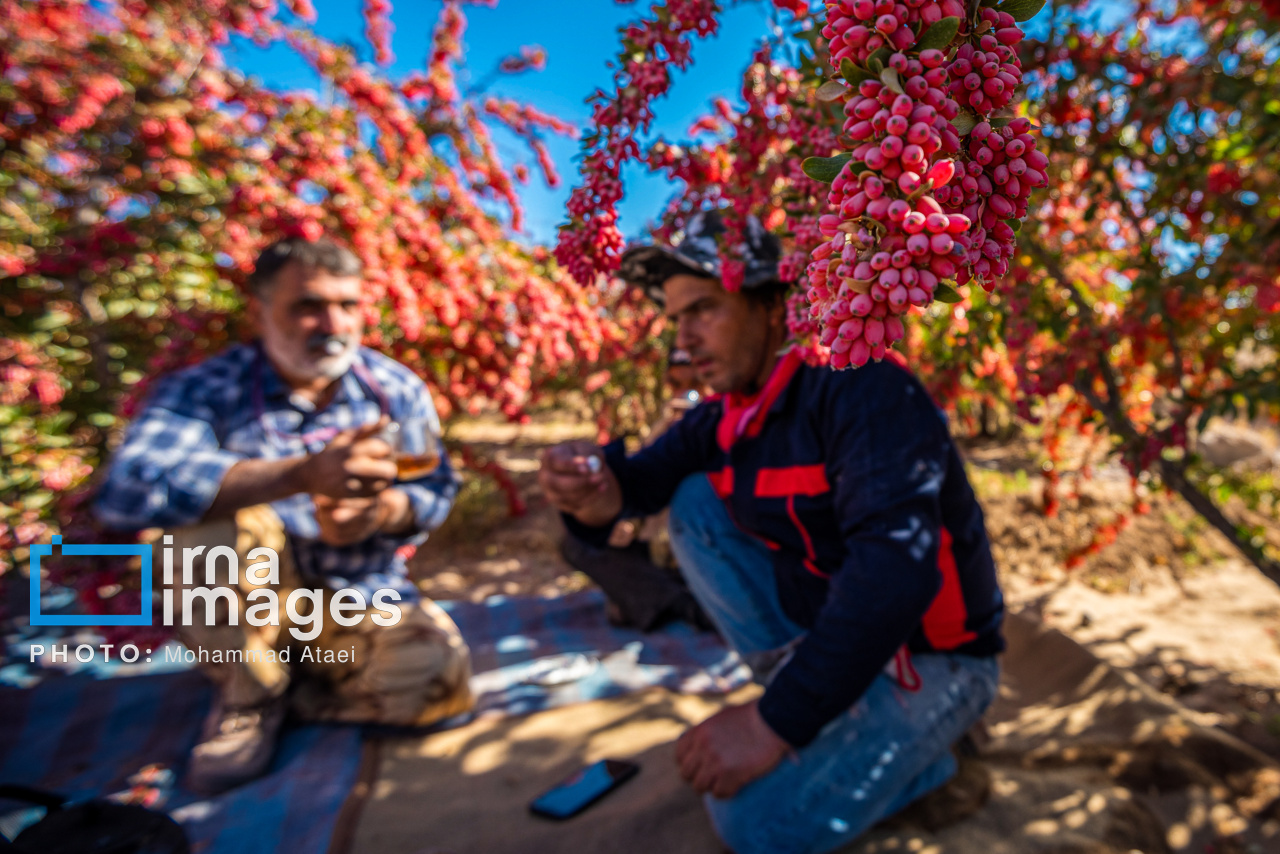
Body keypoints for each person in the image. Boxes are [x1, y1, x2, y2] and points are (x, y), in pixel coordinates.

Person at [539, 211, 1004, 854]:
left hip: (936, 661)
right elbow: (634, 488)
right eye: (676, 319)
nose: (685, 339)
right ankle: (824, 701)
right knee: (695, 502)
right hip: (849, 648)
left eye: (704, 309)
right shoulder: (726, 419)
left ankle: (937, 756)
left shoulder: (863, 388)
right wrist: (588, 494)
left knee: (755, 826)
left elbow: (895, 572)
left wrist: (771, 724)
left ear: (773, 306)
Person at [94, 236, 473, 793]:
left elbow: (436, 485)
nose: (332, 323)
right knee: (201, 530)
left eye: (348, 305)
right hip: (246, 602)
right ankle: (249, 695)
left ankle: (292, 684)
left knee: (439, 682)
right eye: (308, 306)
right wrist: (298, 476)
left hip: (353, 593)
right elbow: (129, 490)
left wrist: (383, 512)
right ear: (259, 311)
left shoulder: (393, 388)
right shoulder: (206, 389)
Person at [558, 348, 711, 631]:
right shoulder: (671, 426)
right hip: (655, 545)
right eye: (676, 385)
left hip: (697, 549)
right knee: (577, 542)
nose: (685, 393)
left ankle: (674, 603)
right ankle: (672, 601)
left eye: (696, 384)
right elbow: (641, 481)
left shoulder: (723, 423)